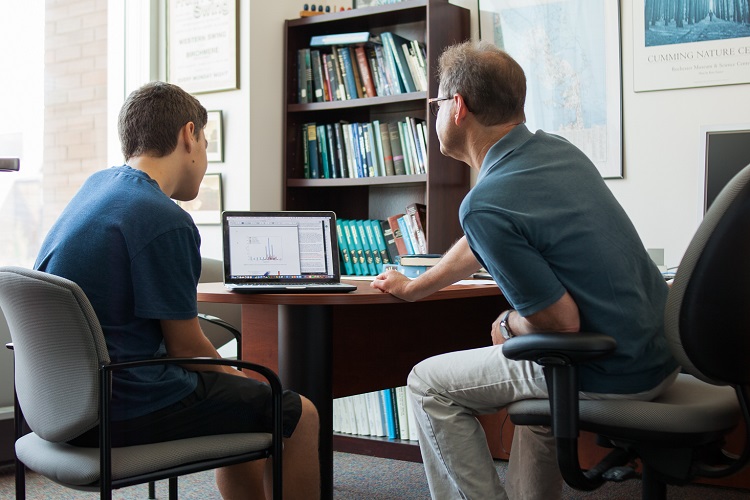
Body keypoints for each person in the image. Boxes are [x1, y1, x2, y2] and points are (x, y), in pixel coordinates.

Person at [371, 41, 679, 500]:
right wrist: (416, 287)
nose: (433, 114)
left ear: (457, 107)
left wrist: (506, 325)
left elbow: (561, 323)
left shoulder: (487, 202)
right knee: (537, 399)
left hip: (610, 372)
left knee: (427, 384)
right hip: (659, 357)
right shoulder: (557, 152)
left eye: (434, 104)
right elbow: (482, 241)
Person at [35, 81, 320, 500]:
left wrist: (236, 384)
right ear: (189, 135)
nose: (203, 158)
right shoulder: (161, 217)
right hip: (126, 402)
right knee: (298, 412)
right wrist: (241, 378)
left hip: (60, 403)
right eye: (205, 142)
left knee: (244, 401)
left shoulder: (96, 188)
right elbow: (187, 348)